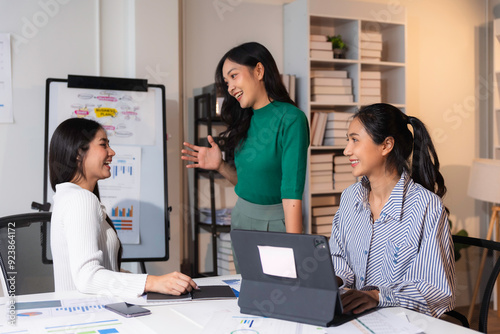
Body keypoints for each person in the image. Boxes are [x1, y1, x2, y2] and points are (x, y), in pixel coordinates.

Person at [330, 103, 455, 318]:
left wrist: (378, 296)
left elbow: (436, 289)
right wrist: (331, 278)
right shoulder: (349, 198)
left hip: (402, 322)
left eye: (355, 140)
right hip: (353, 318)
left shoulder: (426, 206)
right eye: (348, 140)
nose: (346, 150)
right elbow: (338, 258)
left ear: (386, 145)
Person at [49, 118, 198, 298]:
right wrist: (152, 282)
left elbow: (100, 270)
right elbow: (87, 277)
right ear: (78, 153)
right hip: (90, 316)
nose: (111, 152)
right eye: (103, 144)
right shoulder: (81, 199)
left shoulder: (67, 196)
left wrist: (154, 283)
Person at [182, 42, 309, 237]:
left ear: (258, 71)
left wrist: (294, 245)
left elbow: (292, 192)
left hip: (276, 224)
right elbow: (249, 184)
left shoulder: (291, 119)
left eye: (234, 76)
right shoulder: (244, 120)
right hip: (241, 219)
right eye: (226, 82)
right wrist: (220, 166)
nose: (230, 88)